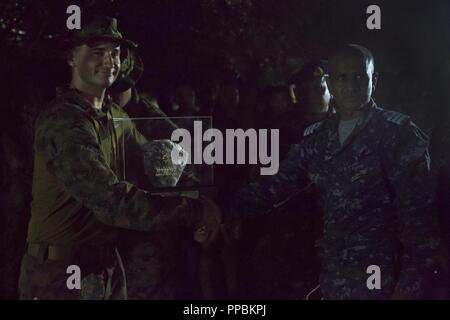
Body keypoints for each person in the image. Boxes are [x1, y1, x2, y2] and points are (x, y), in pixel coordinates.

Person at [18, 15, 220, 300]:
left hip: (106, 267)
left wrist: (201, 201)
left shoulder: (115, 116)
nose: (109, 60)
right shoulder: (64, 121)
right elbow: (110, 201)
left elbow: (157, 166)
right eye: (97, 52)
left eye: (114, 53)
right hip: (59, 275)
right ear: (71, 58)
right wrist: (193, 211)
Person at [230, 44, 439, 299]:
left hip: (385, 280)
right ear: (330, 83)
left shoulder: (399, 134)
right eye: (342, 77)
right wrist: (222, 209)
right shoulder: (318, 138)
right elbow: (275, 187)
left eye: (359, 76)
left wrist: (409, 288)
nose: (350, 85)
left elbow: (420, 223)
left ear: (375, 80)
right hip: (335, 278)